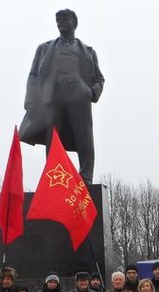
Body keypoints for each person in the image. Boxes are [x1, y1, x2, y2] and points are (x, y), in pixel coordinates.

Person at [19, 8, 105, 184]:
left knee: (85, 138)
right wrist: (31, 102)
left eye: (64, 19)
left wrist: (91, 92)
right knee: (53, 138)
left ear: (74, 23)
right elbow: (33, 76)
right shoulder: (44, 49)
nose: (60, 23)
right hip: (53, 99)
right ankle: (54, 177)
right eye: (58, 20)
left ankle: (86, 177)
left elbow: (99, 79)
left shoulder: (88, 51)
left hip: (79, 99)